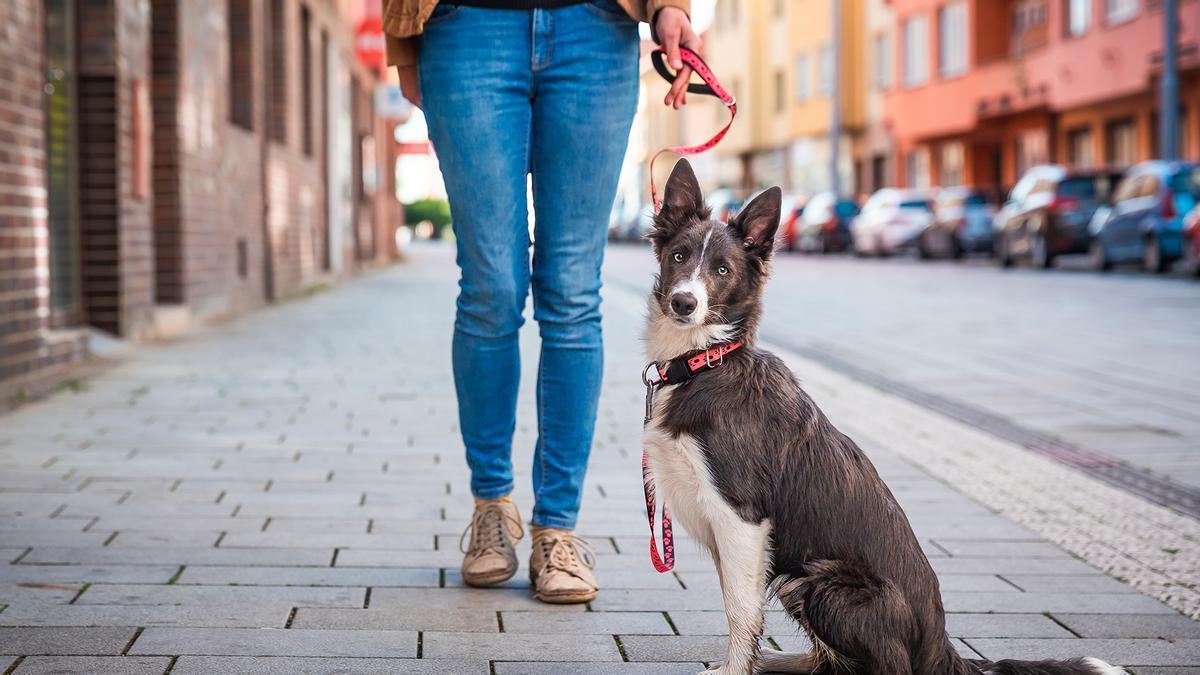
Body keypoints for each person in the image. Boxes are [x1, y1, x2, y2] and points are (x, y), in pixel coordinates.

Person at [382, 0, 700, 603]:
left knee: (573, 290)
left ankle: (557, 527)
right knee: (490, 288)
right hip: (465, 27)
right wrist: (403, 39)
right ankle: (492, 509)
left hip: (594, 30)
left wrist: (670, 6)